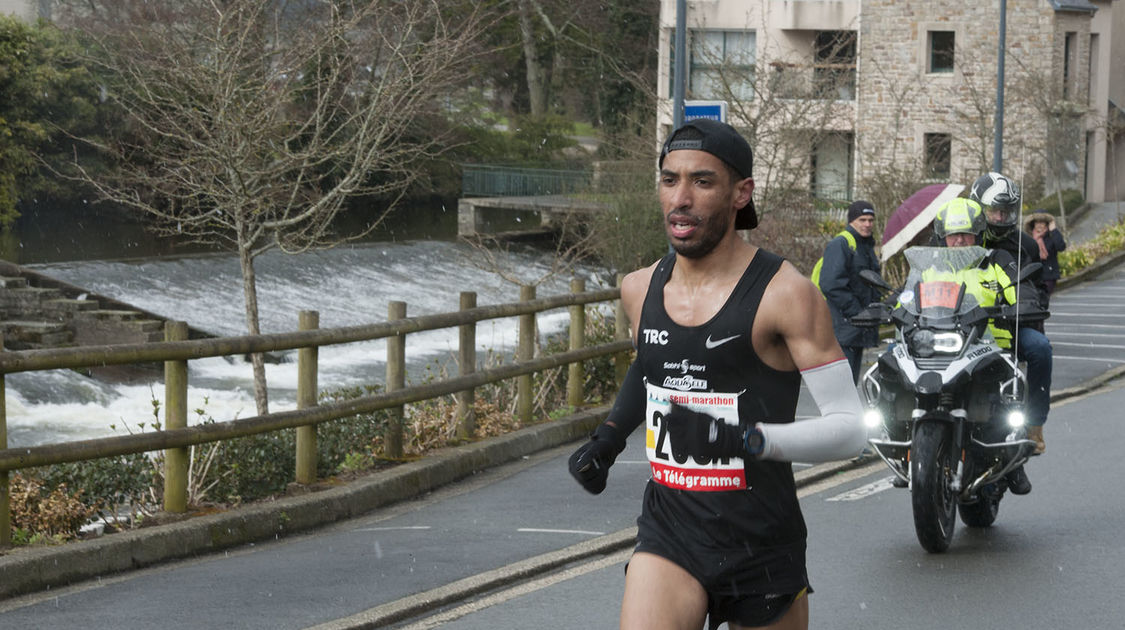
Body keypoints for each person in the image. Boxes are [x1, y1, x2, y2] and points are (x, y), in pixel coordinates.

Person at [567, 118, 867, 630]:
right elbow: (652, 364)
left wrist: (746, 440)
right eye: (669, 180)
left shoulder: (785, 294)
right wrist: (610, 437)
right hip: (671, 530)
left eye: (701, 182)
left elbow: (850, 430)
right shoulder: (639, 288)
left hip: (762, 541)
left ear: (740, 192)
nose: (680, 198)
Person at [929, 197, 1033, 493]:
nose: (959, 240)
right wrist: (885, 306)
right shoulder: (932, 267)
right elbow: (908, 295)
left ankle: (1014, 462)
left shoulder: (995, 260)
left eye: (965, 234)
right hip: (939, 346)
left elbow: (1018, 288)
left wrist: (1023, 303)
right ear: (943, 237)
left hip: (988, 346)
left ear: (978, 234)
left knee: (1005, 401)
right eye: (953, 234)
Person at [969, 172, 1052, 455]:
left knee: (1040, 348)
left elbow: (1037, 288)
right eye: (995, 211)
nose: (1001, 218)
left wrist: (1028, 309)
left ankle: (1034, 425)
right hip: (960, 325)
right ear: (978, 208)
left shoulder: (1024, 245)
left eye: (1007, 212)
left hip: (1009, 321)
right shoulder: (961, 237)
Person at [816, 200, 881, 382]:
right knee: (841, 387)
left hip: (855, 330)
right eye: (862, 219)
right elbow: (830, 284)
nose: (867, 224)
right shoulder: (842, 244)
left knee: (849, 386)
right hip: (843, 330)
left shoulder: (865, 246)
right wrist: (858, 313)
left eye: (870, 220)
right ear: (852, 221)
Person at [1024, 211, 1067, 300]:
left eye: (1042, 222)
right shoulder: (1029, 238)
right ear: (1033, 224)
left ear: (1046, 224)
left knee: (1043, 300)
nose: (1039, 225)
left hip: (1049, 275)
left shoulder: (1051, 237)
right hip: (1033, 276)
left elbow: (1061, 247)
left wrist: (1054, 230)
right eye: (1037, 222)